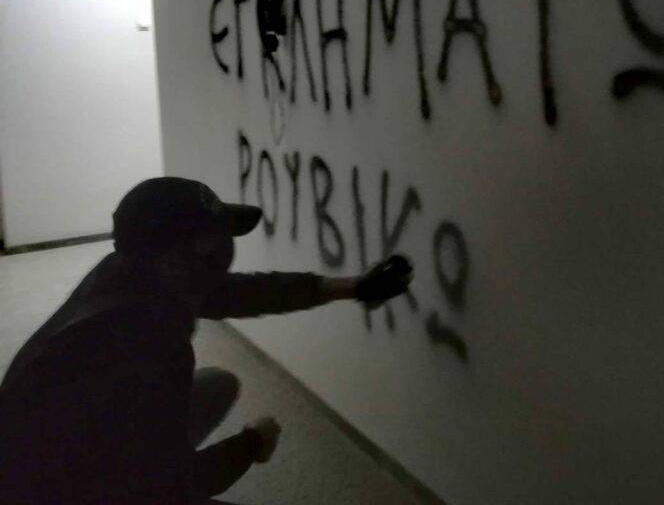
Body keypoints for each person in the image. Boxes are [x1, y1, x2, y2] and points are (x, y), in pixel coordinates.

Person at [0, 176, 413, 505]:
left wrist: (351, 287)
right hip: (53, 490)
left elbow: (245, 292)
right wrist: (253, 443)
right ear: (172, 260)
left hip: (62, 449)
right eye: (209, 242)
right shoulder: (146, 348)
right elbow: (172, 486)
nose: (222, 251)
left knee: (217, 385)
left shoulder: (132, 273)